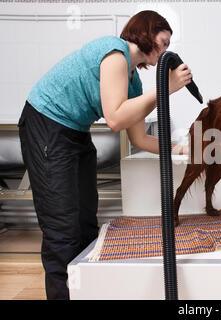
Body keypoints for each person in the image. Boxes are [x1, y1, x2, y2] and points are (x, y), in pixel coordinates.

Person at [18, 10, 191, 299]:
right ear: (146, 32)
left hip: (75, 132)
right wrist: (166, 88)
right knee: (63, 227)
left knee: (85, 222)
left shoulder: (133, 83)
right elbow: (114, 119)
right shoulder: (114, 52)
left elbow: (139, 137)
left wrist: (180, 149)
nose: (165, 49)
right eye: (163, 41)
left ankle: (85, 292)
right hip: (46, 123)